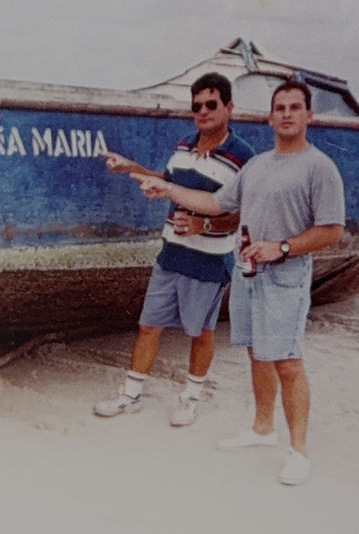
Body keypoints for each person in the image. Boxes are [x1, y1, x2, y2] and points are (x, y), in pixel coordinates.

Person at [136, 80, 345, 485]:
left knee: (287, 362)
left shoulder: (319, 166)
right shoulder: (258, 164)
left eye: (294, 107)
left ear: (308, 116)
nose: (286, 114)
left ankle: (299, 451)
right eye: (279, 107)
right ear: (270, 117)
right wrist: (166, 188)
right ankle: (262, 428)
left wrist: (282, 248)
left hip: (285, 274)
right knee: (256, 353)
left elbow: (333, 229)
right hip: (248, 272)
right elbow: (215, 203)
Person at [93, 72, 255, 426]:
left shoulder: (243, 157)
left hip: (209, 260)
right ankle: (130, 394)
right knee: (149, 325)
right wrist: (128, 167)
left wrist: (204, 225)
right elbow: (168, 183)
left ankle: (191, 397)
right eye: (197, 106)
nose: (203, 112)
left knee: (201, 331)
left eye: (211, 105)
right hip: (171, 253)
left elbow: (243, 215)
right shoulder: (183, 146)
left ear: (229, 107)